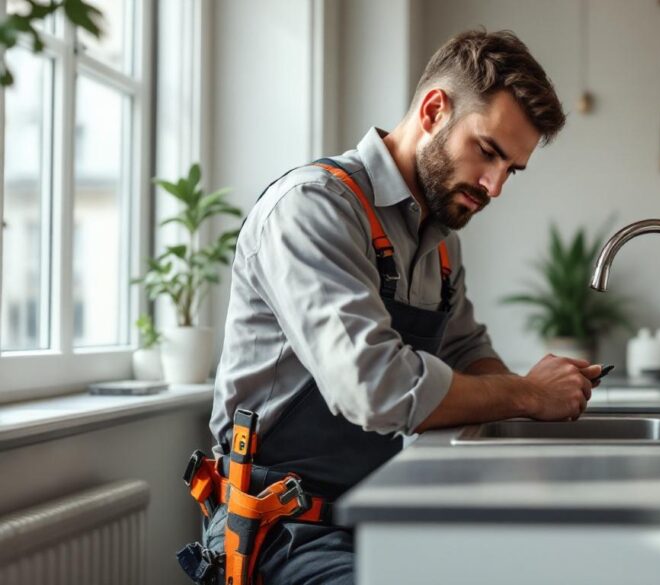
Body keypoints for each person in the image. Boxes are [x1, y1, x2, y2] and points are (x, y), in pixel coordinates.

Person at [201, 29, 600, 584]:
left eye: (511, 169)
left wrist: (525, 416)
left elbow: (468, 351)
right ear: (434, 110)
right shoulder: (313, 208)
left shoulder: (441, 242)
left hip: (377, 510)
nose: (495, 186)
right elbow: (373, 387)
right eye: (488, 152)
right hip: (282, 531)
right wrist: (529, 393)